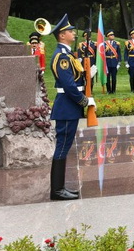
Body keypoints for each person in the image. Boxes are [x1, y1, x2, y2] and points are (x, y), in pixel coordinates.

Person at [49, 14, 95, 200]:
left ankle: (59, 188)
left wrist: (89, 75)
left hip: (69, 107)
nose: (73, 33)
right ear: (61, 35)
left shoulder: (67, 54)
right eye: (69, 31)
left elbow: (75, 79)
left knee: (64, 146)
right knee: (62, 147)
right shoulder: (62, 57)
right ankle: (57, 190)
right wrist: (84, 101)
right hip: (67, 107)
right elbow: (68, 85)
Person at [104, 29, 121, 94]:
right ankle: (108, 90)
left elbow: (118, 54)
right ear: (108, 36)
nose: (113, 36)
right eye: (111, 35)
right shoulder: (104, 44)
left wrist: (119, 63)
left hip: (114, 62)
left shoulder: (117, 43)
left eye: (113, 35)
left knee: (114, 77)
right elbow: (102, 54)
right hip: (107, 62)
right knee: (107, 78)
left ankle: (113, 90)